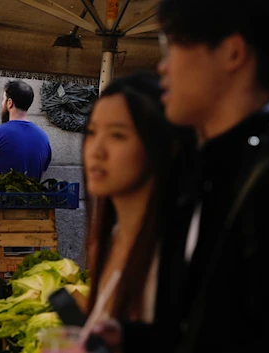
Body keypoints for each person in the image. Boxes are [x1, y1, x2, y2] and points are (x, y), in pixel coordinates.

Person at [90, 1, 269, 353]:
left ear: (232, 53)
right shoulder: (215, 166)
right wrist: (130, 339)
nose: (163, 67)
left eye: (175, 45)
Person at [84, 72, 178, 323]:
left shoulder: (171, 255)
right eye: (92, 132)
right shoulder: (110, 238)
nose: (96, 150)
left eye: (117, 135)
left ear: (156, 146)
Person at [0, 80, 51, 181]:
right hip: (31, 196)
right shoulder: (44, 138)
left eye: (3, 100)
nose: (2, 104)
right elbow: (40, 174)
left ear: (9, 103)